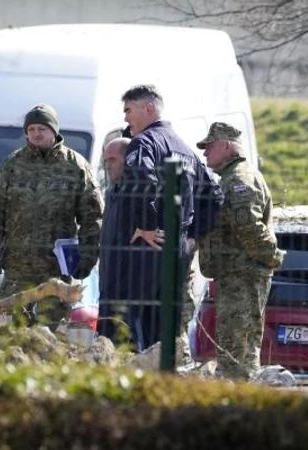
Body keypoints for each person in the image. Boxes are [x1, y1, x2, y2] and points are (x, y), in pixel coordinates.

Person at [106, 84, 217, 351]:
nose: (126, 119)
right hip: (176, 253)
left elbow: (141, 180)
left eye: (128, 110)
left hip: (147, 251)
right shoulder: (185, 149)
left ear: (149, 108)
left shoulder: (144, 143)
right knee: (162, 328)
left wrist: (146, 226)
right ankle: (161, 379)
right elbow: (213, 197)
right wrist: (189, 237)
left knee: (128, 325)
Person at [0, 104, 103, 326]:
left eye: (42, 129)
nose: (36, 134)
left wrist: (88, 256)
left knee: (49, 331)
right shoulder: (13, 164)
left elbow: (92, 216)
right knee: (8, 329)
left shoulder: (75, 166)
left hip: (56, 268)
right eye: (31, 129)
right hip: (18, 266)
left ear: (54, 131)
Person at [195, 122, 284, 380]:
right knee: (236, 343)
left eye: (209, 146)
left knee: (237, 347)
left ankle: (238, 397)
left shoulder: (238, 179)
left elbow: (249, 226)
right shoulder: (232, 177)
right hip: (236, 274)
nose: (205, 153)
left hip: (242, 276)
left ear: (226, 146)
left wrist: (272, 256)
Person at [97, 136, 130, 341]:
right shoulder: (112, 192)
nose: (108, 166)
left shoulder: (137, 194)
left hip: (127, 284)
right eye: (105, 160)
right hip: (108, 282)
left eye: (113, 160)